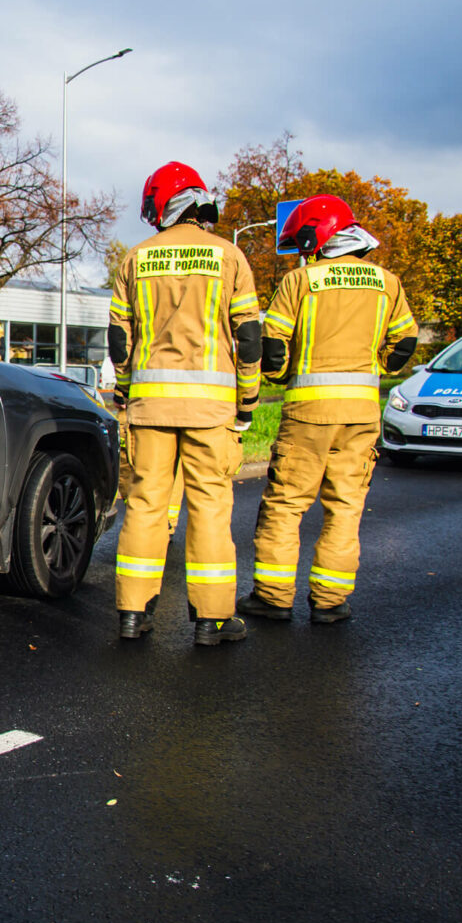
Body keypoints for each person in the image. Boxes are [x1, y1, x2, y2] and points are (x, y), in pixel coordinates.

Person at [239, 195, 418, 623]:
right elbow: (405, 343)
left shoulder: (300, 281)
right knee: (345, 506)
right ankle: (330, 603)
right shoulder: (387, 282)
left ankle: (273, 597)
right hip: (360, 416)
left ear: (317, 236)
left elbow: (275, 346)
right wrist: (372, 368)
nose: (303, 252)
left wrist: (281, 377)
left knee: (285, 505)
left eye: (304, 242)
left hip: (308, 414)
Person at [110, 161, 261, 645]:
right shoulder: (229, 256)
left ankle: (133, 613)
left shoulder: (136, 259)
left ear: (161, 205)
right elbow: (250, 337)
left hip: (150, 408)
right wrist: (248, 401)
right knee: (211, 508)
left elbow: (119, 339)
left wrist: (124, 392)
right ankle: (210, 621)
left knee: (146, 505)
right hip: (211, 411)